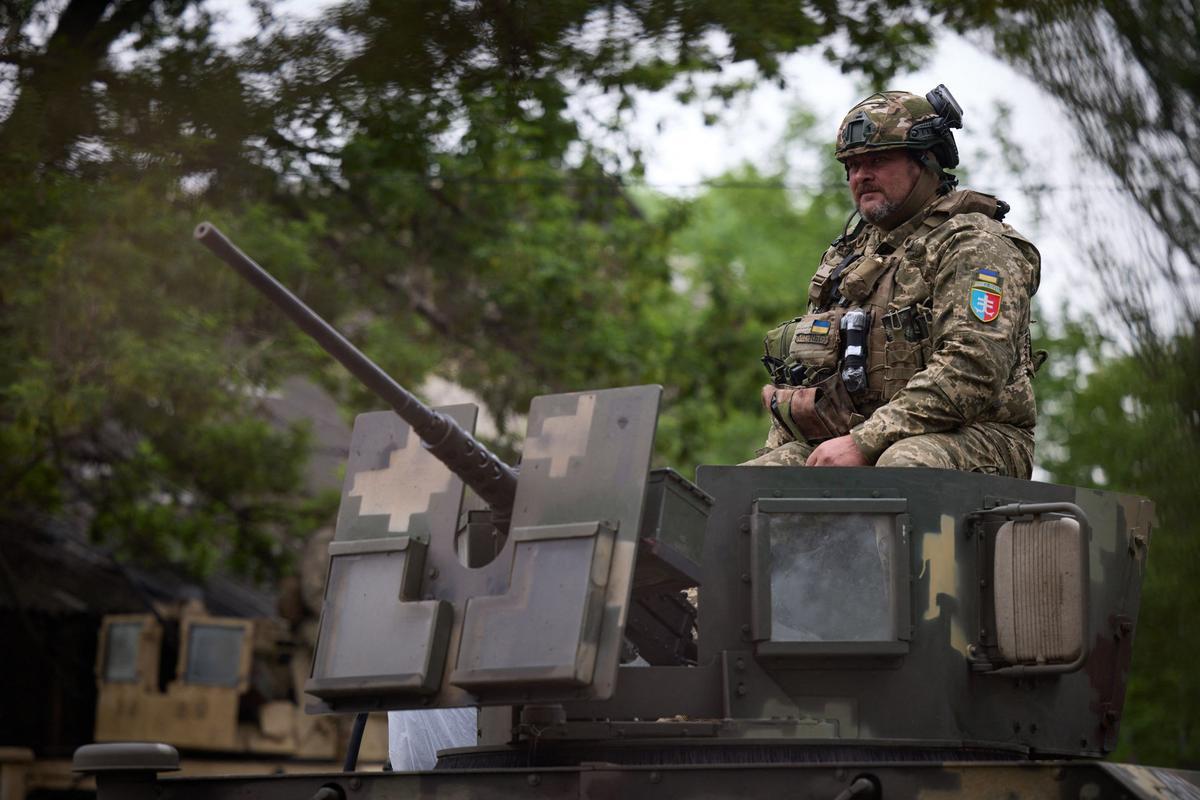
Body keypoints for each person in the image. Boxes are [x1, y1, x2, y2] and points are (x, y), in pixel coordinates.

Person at [746, 86, 1040, 477]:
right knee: (750, 482)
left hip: (978, 436)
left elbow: (973, 369)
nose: (861, 175)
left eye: (878, 160)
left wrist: (864, 442)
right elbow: (812, 374)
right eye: (851, 165)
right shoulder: (847, 257)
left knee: (901, 465)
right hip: (862, 434)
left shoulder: (975, 244)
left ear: (927, 161)